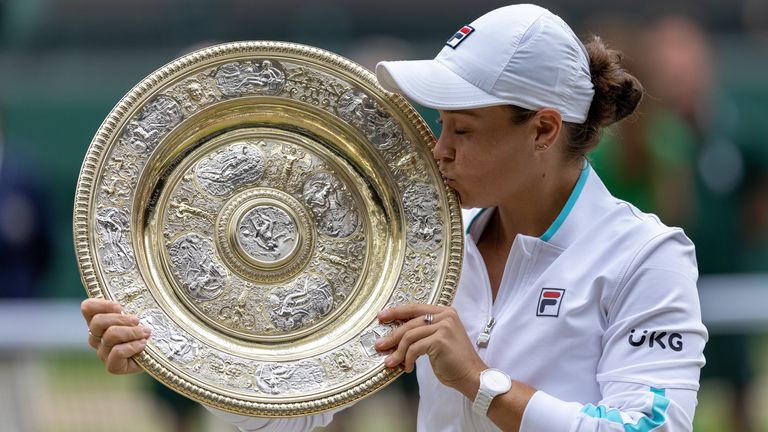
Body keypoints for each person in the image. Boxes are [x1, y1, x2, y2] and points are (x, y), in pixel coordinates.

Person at [81, 4, 708, 431]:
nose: (440, 150)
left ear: (543, 129)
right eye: (441, 125)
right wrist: (176, 355)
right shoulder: (423, 251)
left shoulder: (646, 257)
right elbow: (290, 415)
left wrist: (481, 382)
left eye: (462, 128)